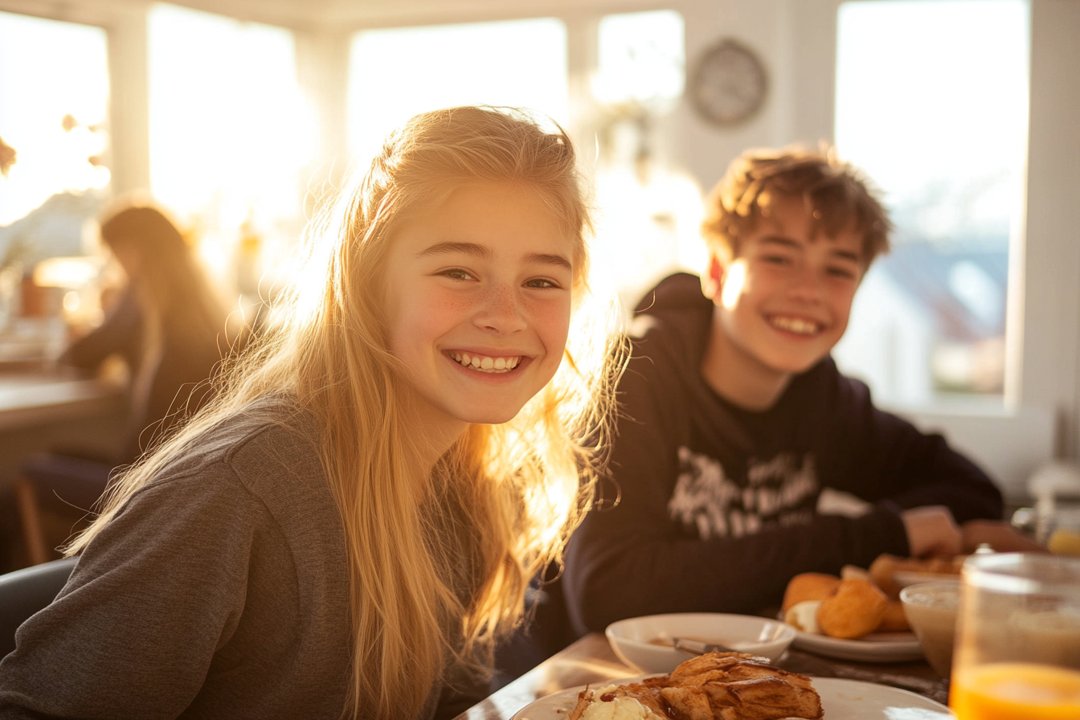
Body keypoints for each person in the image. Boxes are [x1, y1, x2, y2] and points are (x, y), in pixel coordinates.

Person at [0, 106, 623, 719]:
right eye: (458, 271)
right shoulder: (239, 490)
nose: (505, 314)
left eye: (542, 282)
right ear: (367, 284)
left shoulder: (463, 479)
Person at [562, 145, 1039, 634]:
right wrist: (882, 534)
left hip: (749, 670)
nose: (809, 290)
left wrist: (925, 530)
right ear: (719, 273)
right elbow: (609, 592)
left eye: (837, 269)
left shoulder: (824, 400)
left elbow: (972, 491)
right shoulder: (631, 381)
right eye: (779, 258)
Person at [17, 202, 236, 519]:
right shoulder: (203, 312)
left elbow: (82, 355)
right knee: (54, 454)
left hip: (143, 484)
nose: (115, 265)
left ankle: (49, 567)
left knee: (28, 470)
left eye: (114, 255)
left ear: (132, 251)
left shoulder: (143, 304)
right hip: (178, 480)